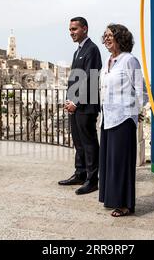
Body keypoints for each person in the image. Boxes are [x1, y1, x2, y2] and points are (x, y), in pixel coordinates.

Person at [99, 23, 148, 216]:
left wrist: (134, 111)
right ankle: (112, 198)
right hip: (108, 118)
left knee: (121, 163)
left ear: (121, 38)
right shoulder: (108, 61)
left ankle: (125, 204)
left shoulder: (130, 60)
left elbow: (141, 90)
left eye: (111, 35)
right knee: (110, 162)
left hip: (123, 118)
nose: (107, 38)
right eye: (105, 36)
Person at [58, 17, 102, 195]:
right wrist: (70, 101)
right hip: (75, 106)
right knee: (78, 142)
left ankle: (92, 180)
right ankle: (80, 173)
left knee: (89, 143)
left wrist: (76, 102)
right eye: (70, 29)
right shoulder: (78, 51)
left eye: (74, 29)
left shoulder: (92, 49)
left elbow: (91, 78)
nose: (71, 33)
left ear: (85, 29)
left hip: (86, 106)